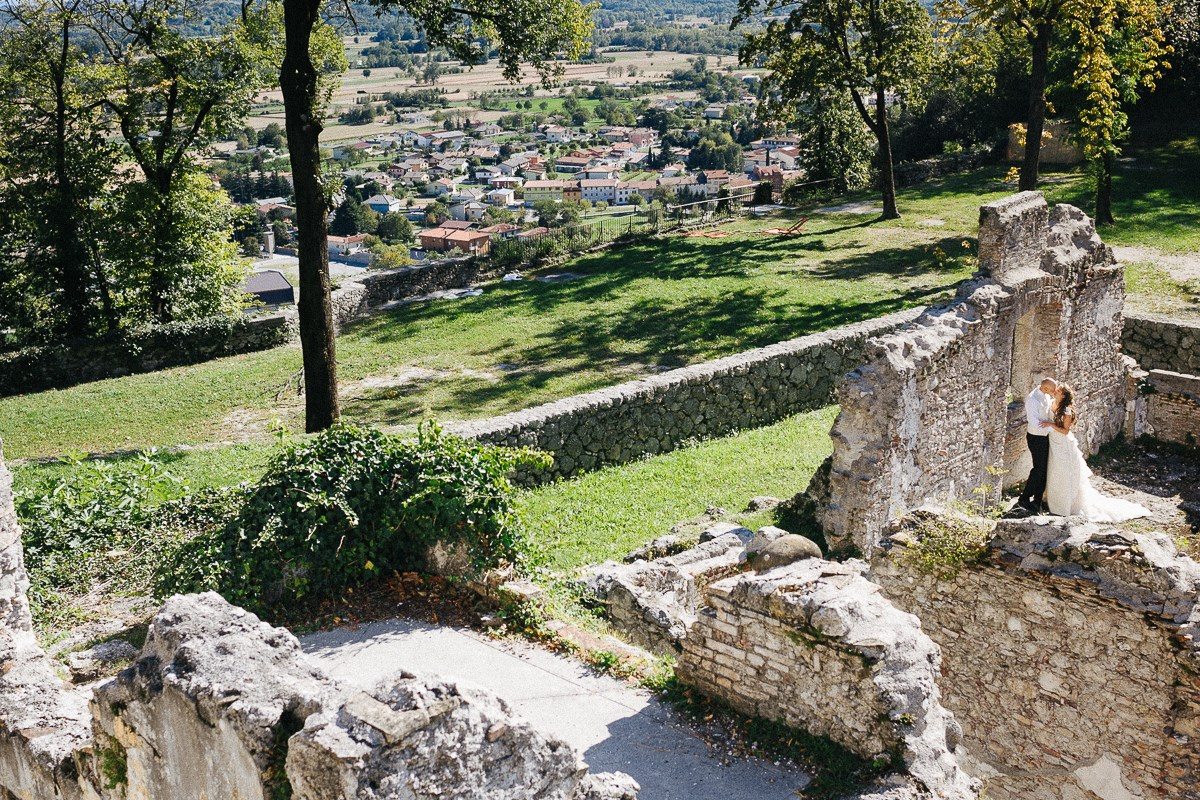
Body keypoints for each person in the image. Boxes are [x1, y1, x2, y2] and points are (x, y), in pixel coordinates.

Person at [1041, 383, 1150, 522]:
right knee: (1053, 471)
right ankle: (1052, 501)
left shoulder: (1067, 411)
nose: (1055, 391)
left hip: (1063, 444)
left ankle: (1063, 506)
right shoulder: (1052, 402)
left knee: (1062, 472)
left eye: (1058, 390)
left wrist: (1050, 425)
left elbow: (1065, 431)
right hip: (1053, 443)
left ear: (1063, 396)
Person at [1018, 378, 1057, 513]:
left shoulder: (1046, 395)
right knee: (1038, 469)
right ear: (1045, 388)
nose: (1054, 393)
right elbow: (1034, 423)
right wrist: (1055, 429)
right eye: (1052, 390)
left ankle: (1038, 500)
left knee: (1044, 468)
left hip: (1045, 436)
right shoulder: (1032, 399)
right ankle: (1024, 498)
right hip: (1036, 437)